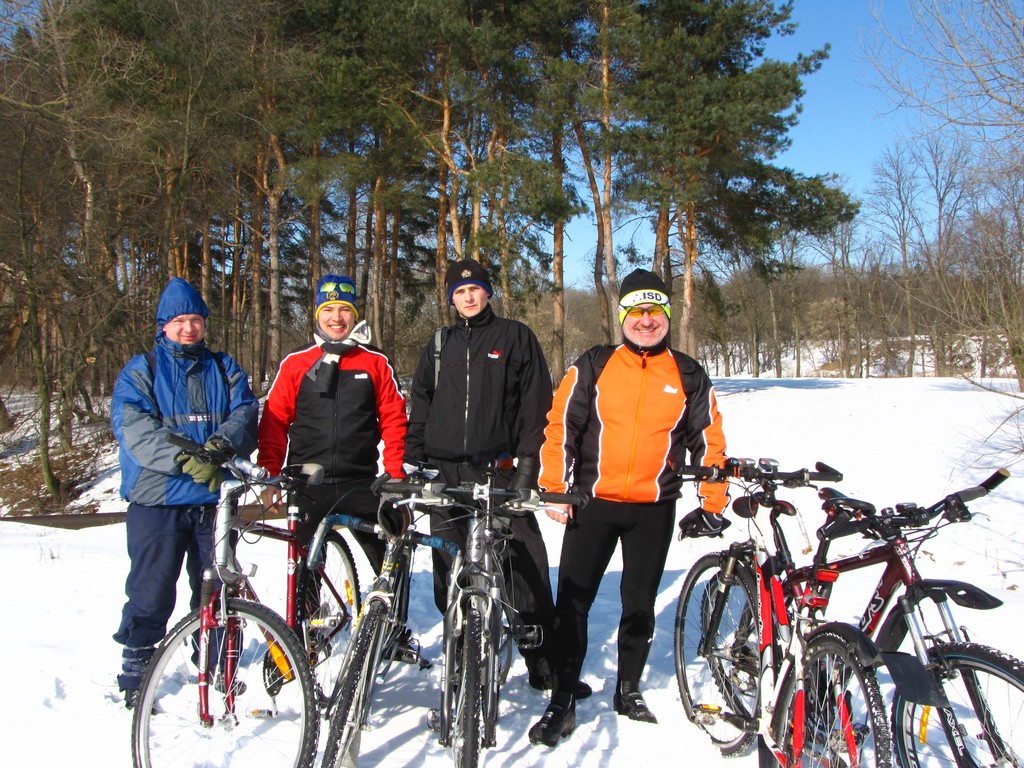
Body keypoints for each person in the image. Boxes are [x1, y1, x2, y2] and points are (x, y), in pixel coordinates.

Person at [528, 268, 730, 747]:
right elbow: (561, 426)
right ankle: (563, 697)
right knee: (573, 602)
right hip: (592, 503)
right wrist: (554, 487)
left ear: (667, 317)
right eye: (637, 311)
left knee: (639, 603)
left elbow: (709, 441)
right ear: (622, 317)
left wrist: (713, 499)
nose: (646, 320)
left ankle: (628, 689)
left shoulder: (687, 373)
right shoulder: (595, 364)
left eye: (655, 311)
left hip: (653, 508)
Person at [404, 258, 583, 695]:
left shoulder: (515, 337)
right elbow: (422, 402)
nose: (468, 297)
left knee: (522, 563)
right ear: (451, 298)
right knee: (449, 567)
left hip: (498, 471)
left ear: (487, 292)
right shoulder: (440, 343)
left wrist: (528, 466)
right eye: (459, 291)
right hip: (446, 473)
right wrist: (415, 457)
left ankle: (541, 658)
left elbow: (535, 406)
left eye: (475, 289)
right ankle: (462, 654)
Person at [111, 277, 259, 709]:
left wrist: (221, 446)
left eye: (195, 319)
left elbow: (245, 411)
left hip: (214, 501)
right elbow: (135, 428)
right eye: (179, 321)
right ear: (163, 326)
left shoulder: (223, 368)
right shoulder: (142, 370)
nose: (188, 328)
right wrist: (186, 459)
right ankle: (138, 667)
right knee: (151, 589)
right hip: (157, 501)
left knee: (216, 587)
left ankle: (214, 660)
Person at [257, 274, 409, 579]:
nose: (336, 318)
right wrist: (269, 475)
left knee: (391, 566)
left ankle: (391, 609)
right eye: (328, 310)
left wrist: (395, 474)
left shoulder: (375, 361)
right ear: (317, 314)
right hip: (308, 485)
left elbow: (394, 419)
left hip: (361, 482)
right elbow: (274, 422)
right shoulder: (296, 362)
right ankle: (310, 612)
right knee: (306, 574)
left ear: (354, 315)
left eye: (344, 310)